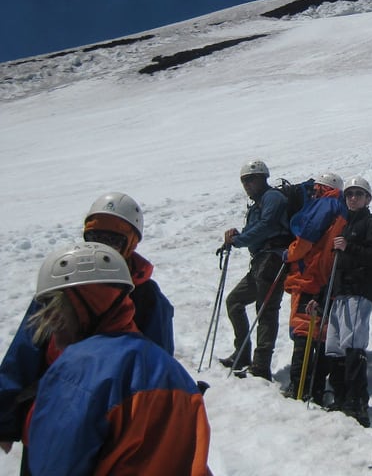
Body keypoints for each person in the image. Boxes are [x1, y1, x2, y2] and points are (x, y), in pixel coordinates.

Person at [0, 191, 174, 462]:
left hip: (114, 425)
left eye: (113, 239)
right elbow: (25, 349)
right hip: (51, 417)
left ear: (131, 243)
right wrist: (5, 417)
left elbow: (158, 363)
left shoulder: (147, 297)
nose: (103, 246)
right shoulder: (62, 284)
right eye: (95, 237)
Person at [23, 242, 212, 475]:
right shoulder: (172, 371)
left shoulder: (78, 370)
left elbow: (54, 465)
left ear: (87, 305)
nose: (48, 320)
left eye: (54, 306)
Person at [321, 176, 372, 426]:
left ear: (368, 199)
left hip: (360, 291)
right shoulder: (345, 225)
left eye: (358, 194)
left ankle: (357, 402)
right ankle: (341, 397)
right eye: (349, 194)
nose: (353, 198)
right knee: (335, 345)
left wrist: (349, 247)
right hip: (342, 292)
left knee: (353, 343)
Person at [221, 158, 291, 380]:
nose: (247, 184)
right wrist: (237, 236)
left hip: (273, 259)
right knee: (235, 301)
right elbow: (255, 229)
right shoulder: (258, 204)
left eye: (251, 179)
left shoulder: (272, 197)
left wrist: (238, 241)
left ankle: (261, 365)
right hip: (262, 261)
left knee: (266, 310)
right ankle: (243, 354)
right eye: (244, 181)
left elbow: (267, 226)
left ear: (263, 178)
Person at [283, 172, 347, 402]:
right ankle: (317, 387)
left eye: (316, 188)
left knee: (303, 330)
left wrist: (289, 254)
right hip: (328, 281)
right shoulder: (342, 208)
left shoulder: (325, 204)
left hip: (309, 277)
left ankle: (298, 387)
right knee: (320, 334)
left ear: (323, 187)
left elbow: (305, 240)